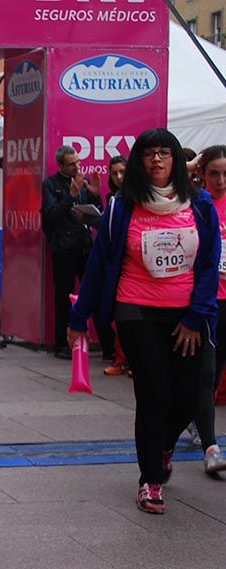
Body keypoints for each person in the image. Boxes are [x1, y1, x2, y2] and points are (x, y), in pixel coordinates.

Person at [69, 128, 220, 514]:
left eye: (164, 153)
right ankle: (150, 480)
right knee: (153, 393)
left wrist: (195, 316)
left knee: (188, 396)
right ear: (139, 160)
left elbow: (208, 266)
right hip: (135, 309)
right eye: (149, 153)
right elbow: (99, 263)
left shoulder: (200, 204)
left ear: (176, 160)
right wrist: (79, 317)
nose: (156, 160)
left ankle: (164, 446)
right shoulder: (122, 207)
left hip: (187, 313)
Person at [42, 146, 103, 359]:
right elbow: (51, 216)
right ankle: (62, 344)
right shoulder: (50, 185)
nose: (77, 167)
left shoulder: (82, 182)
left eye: (78, 162)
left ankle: (104, 343)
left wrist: (95, 196)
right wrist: (70, 196)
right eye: (71, 164)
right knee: (63, 297)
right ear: (60, 165)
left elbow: (97, 215)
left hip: (85, 246)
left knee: (95, 293)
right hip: (64, 249)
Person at [191, 145, 226, 476]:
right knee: (206, 372)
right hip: (206, 300)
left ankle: (198, 419)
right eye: (214, 173)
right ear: (201, 174)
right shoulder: (197, 203)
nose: (221, 180)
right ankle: (210, 443)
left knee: (218, 369)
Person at [102, 156, 133, 377]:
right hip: (119, 267)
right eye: (114, 174)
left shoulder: (135, 197)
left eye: (122, 172)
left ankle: (129, 361)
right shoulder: (113, 199)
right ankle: (121, 359)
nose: (119, 177)